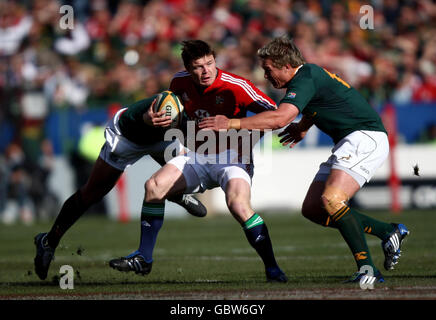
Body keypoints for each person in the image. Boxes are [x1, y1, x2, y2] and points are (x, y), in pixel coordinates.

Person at [199, 37, 410, 284]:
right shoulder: (307, 77)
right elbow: (320, 101)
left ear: (286, 65)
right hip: (349, 140)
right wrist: (302, 126)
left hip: (364, 138)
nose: (266, 76)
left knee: (332, 200)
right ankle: (388, 231)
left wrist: (231, 123)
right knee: (313, 209)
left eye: (268, 69)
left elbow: (279, 119)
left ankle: (367, 269)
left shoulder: (305, 77)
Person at [109, 40, 288, 282]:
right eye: (198, 67)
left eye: (210, 63)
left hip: (233, 157)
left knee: (238, 206)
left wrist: (238, 128)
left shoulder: (237, 86)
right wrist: (159, 119)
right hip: (197, 154)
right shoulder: (178, 83)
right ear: (187, 68)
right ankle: (144, 257)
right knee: (153, 187)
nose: (206, 71)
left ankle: (273, 270)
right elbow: (178, 116)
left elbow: (275, 114)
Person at [33, 94, 207, 281]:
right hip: (128, 139)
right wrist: (145, 119)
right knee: (91, 193)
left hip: (163, 139)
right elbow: (129, 119)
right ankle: (48, 242)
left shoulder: (192, 109)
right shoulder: (145, 113)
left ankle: (176, 193)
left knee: (176, 176)